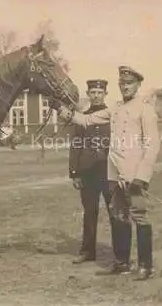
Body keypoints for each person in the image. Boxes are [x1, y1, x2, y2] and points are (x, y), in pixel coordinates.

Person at [55, 66, 161, 281]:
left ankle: (145, 266)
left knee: (139, 217)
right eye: (122, 83)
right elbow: (86, 120)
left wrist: (142, 175)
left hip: (134, 174)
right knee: (119, 217)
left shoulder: (145, 109)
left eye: (129, 83)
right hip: (114, 174)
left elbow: (152, 145)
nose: (125, 86)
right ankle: (121, 263)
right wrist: (61, 109)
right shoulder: (116, 108)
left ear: (137, 85)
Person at [69, 79, 118, 264]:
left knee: (115, 212)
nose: (96, 95)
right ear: (88, 94)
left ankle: (119, 252)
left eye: (99, 92)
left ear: (105, 94)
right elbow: (75, 145)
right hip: (87, 172)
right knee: (89, 212)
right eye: (93, 92)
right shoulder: (81, 118)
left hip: (109, 171)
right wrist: (75, 173)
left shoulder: (112, 116)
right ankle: (88, 251)